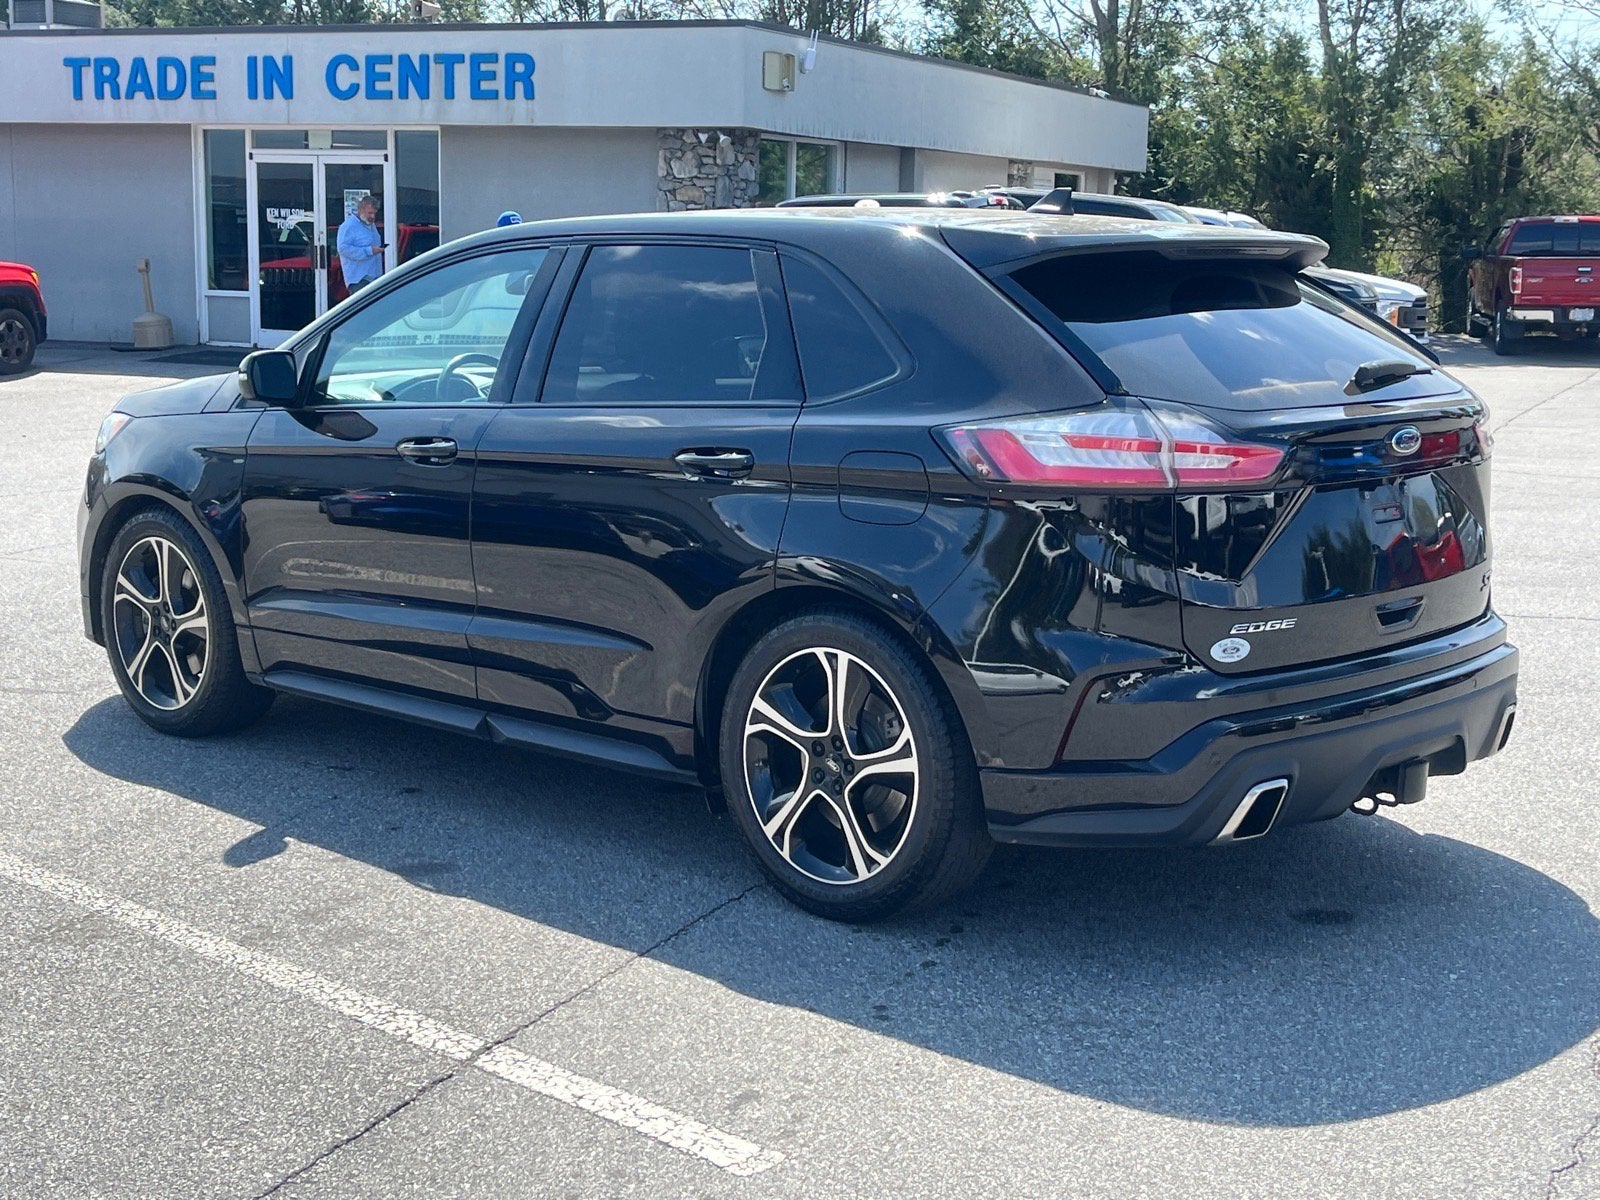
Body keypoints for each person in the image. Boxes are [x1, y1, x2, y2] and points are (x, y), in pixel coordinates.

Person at [337, 195, 384, 293]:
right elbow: (343, 249)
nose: (373, 217)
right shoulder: (348, 226)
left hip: (375, 278)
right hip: (359, 280)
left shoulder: (371, 225)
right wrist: (369, 251)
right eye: (370, 213)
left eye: (374, 213)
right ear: (361, 209)